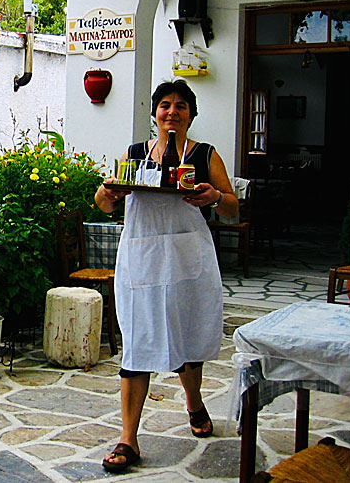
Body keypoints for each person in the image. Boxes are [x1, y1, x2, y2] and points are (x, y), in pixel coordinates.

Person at [94, 79, 238, 474]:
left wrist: (213, 197)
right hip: (142, 259)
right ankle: (128, 439)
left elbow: (231, 208)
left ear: (191, 114)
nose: (171, 112)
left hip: (187, 261)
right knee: (137, 343)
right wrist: (110, 193)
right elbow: (104, 201)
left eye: (180, 106)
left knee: (186, 338)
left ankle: (193, 402)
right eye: (164, 105)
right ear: (154, 113)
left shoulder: (205, 155)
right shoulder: (136, 155)